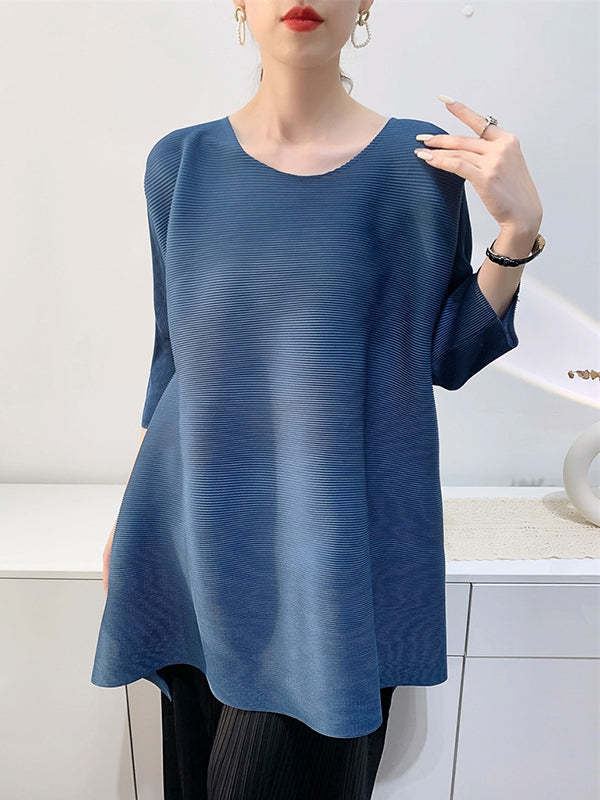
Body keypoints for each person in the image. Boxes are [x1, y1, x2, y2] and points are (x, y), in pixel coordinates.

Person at [91, 1, 545, 798]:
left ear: (364, 3)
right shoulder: (181, 163)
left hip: (334, 548)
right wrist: (132, 519)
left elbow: (444, 357)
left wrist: (516, 231)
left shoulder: (418, 167)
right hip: (191, 536)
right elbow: (173, 355)